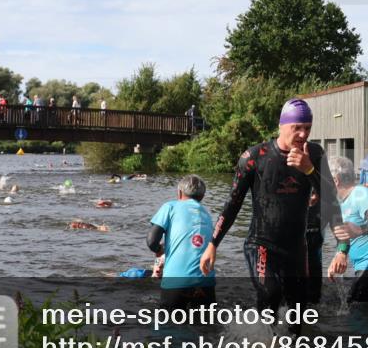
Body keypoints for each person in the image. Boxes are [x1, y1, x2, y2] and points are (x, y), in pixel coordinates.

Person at [200, 99, 345, 325]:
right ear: (281, 126)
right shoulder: (254, 157)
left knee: (299, 315)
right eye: (297, 127)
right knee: (271, 293)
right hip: (261, 244)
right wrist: (212, 244)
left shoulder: (314, 154)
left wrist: (309, 170)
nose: (302, 134)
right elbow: (232, 204)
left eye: (307, 128)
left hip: (296, 248)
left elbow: (331, 198)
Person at [326, 156, 368, 302]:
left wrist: (359, 230)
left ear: (335, 180)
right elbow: (346, 236)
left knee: (355, 308)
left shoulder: (360, 193)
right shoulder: (342, 203)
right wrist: (338, 257)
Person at [147, 175, 216, 311]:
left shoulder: (170, 207)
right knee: (207, 328)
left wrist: (159, 250)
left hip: (176, 283)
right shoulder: (207, 214)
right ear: (202, 197)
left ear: (179, 193)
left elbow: (151, 241)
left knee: (169, 326)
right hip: (206, 285)